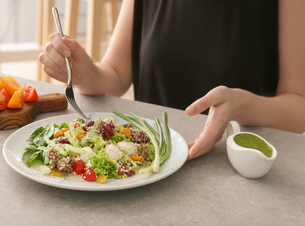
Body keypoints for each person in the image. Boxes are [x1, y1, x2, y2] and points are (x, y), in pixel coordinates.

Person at [39, 0, 305, 160]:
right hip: (151, 167)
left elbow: (298, 108)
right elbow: (117, 76)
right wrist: (86, 73)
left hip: (237, 172)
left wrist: (240, 106)